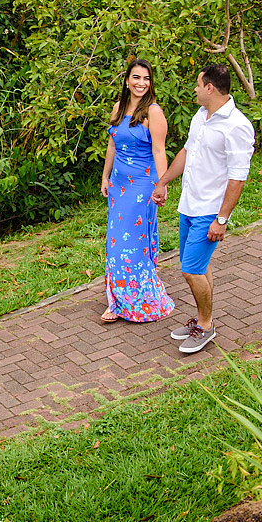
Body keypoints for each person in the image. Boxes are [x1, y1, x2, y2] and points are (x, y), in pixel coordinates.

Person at [152, 63, 255, 354]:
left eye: (198, 85)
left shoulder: (237, 126)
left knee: (191, 270)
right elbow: (186, 151)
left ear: (210, 88)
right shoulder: (200, 116)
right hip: (189, 205)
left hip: (210, 210)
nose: (195, 90)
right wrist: (163, 182)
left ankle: (206, 326)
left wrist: (222, 219)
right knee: (199, 266)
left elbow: (238, 178)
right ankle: (201, 318)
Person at [100, 58, 175, 324]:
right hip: (119, 186)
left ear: (150, 82)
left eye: (146, 78)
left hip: (142, 186)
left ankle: (136, 299)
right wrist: (105, 176)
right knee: (115, 242)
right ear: (127, 80)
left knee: (131, 244)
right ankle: (117, 298)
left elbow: (159, 150)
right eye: (136, 77)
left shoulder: (153, 112)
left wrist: (162, 183)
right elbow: (112, 145)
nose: (141, 83)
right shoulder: (119, 107)